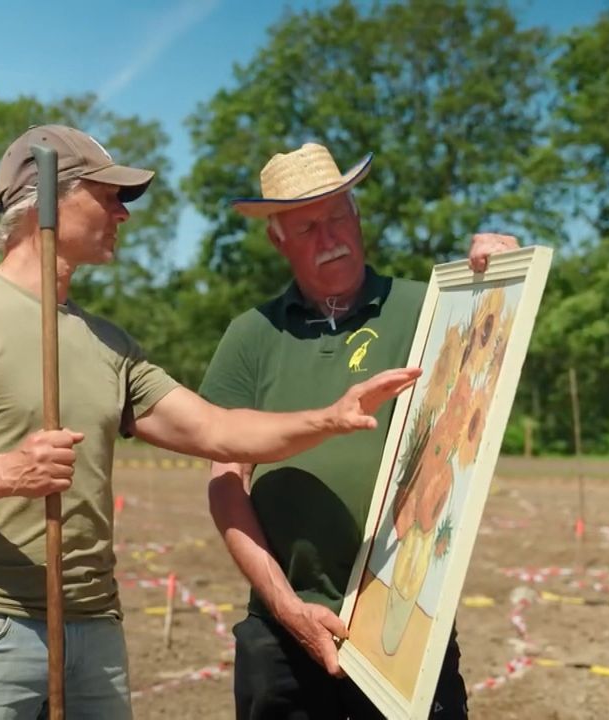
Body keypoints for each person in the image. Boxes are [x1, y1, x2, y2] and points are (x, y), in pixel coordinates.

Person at [0, 125, 423, 720]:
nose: (123, 215)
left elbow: (216, 432)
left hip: (94, 631)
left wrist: (331, 417)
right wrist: (7, 473)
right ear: (45, 202)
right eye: (108, 197)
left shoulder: (110, 344)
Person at [199, 142, 520, 719]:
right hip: (281, 629)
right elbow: (226, 481)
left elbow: (488, 365)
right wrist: (286, 606)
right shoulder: (250, 336)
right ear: (277, 239)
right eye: (307, 227)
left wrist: (495, 276)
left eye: (338, 216)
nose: (331, 238)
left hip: (405, 623)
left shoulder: (430, 308)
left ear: (358, 214)